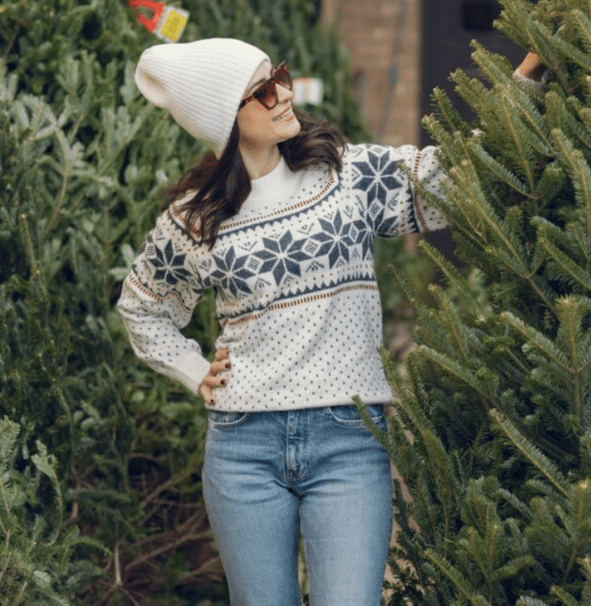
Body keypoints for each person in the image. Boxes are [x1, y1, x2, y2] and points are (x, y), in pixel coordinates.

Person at [118, 37, 545, 605]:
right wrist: (193, 370)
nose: (285, 94)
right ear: (226, 119)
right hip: (243, 449)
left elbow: (458, 173)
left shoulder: (347, 175)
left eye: (282, 76)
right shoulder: (197, 218)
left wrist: (530, 74)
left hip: (348, 442)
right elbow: (142, 306)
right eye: (263, 91)